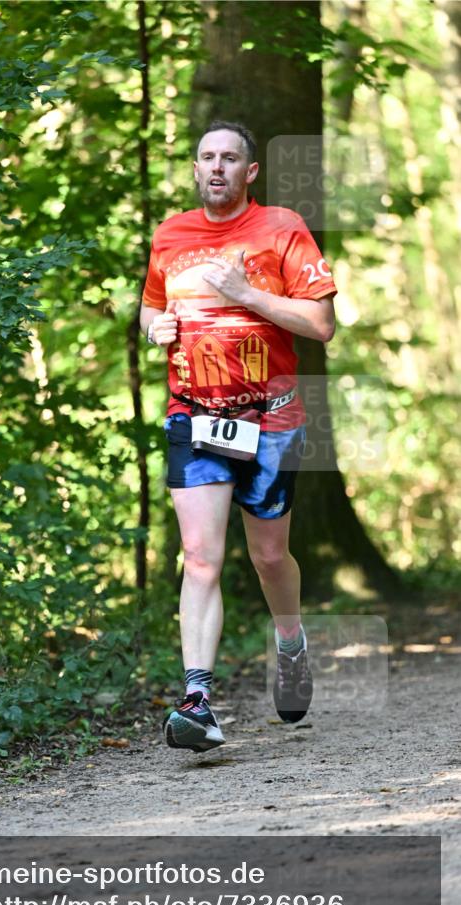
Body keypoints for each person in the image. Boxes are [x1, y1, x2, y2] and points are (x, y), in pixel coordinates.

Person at [140, 121, 337, 752]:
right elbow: (150, 307)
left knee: (269, 557)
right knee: (199, 556)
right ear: (195, 170)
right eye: (206, 157)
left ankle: (291, 643)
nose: (217, 167)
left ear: (251, 172)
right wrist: (154, 330)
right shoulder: (170, 235)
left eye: (230, 158)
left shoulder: (282, 228)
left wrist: (247, 292)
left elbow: (321, 324)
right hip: (192, 413)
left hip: (270, 415)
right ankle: (197, 700)